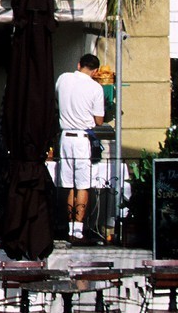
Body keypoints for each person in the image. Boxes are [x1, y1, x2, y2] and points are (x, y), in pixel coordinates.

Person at [56, 52, 106, 243]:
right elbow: (99, 120)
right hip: (82, 138)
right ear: (95, 71)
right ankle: (78, 229)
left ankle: (69, 227)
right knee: (83, 184)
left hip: (64, 137)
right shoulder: (95, 87)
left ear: (79, 65)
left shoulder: (63, 79)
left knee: (68, 184)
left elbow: (57, 99)